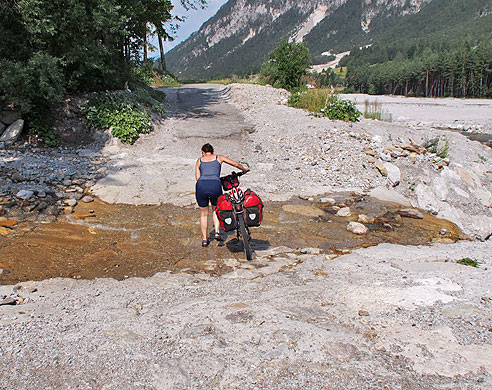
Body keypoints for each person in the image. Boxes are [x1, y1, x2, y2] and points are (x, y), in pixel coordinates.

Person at [195, 143, 249, 247]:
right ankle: (216, 231)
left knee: (203, 214)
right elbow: (236, 164)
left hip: (201, 185)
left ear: (203, 152)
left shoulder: (199, 160)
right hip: (215, 185)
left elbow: (197, 177)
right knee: (215, 209)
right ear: (213, 151)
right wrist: (244, 170)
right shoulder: (219, 157)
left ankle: (205, 240)